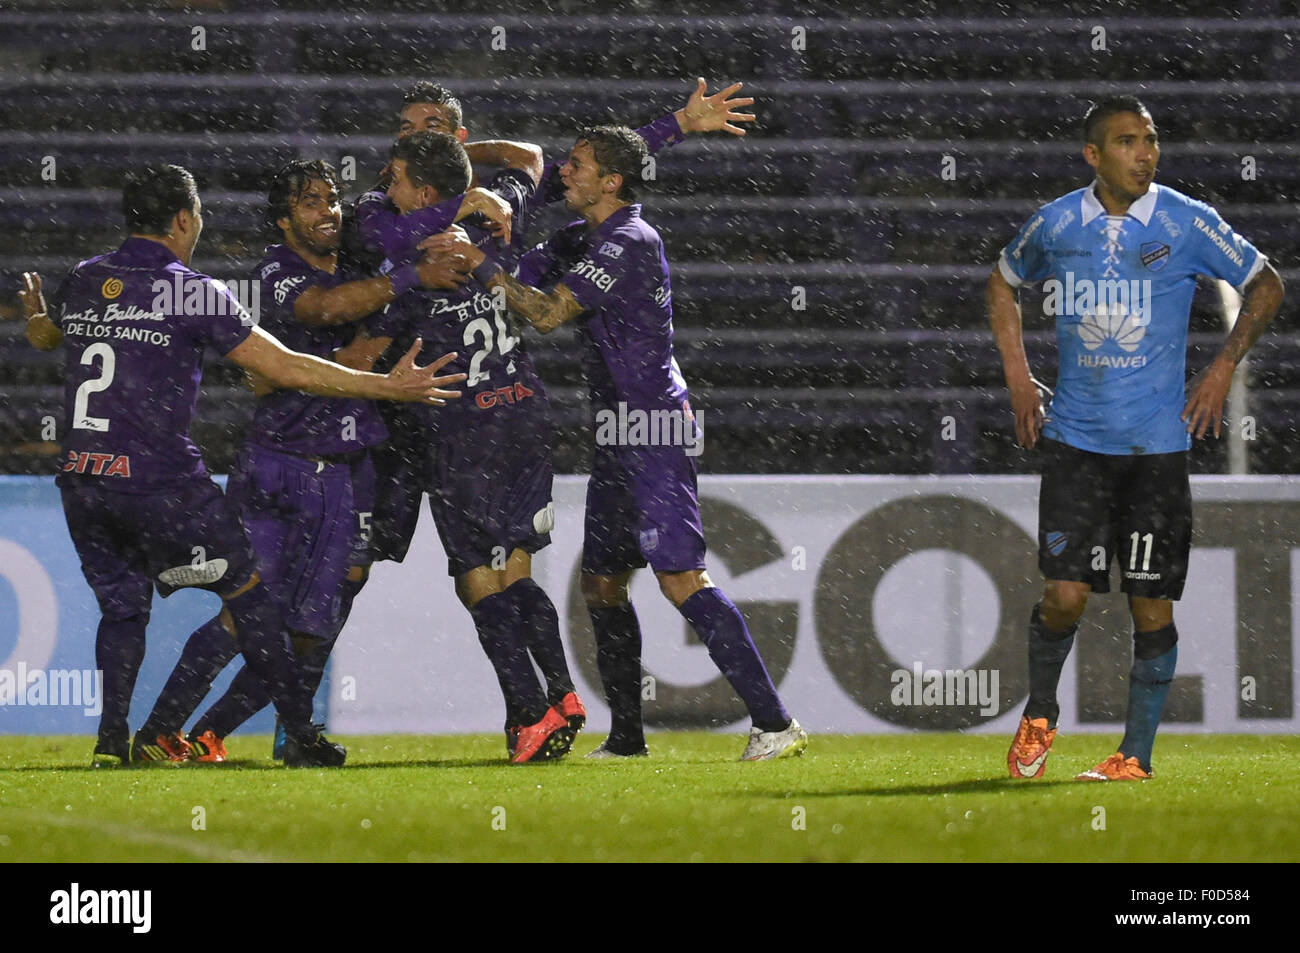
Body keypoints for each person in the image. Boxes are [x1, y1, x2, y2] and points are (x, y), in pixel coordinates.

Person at [18, 164, 463, 768]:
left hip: (84, 477)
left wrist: (36, 319)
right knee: (250, 599)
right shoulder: (192, 290)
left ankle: (110, 743)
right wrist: (389, 387)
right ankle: (299, 733)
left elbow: (51, 337)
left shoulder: (87, 277)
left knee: (123, 609)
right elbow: (283, 368)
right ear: (183, 219)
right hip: (160, 479)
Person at [425, 126, 808, 761]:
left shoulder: (630, 240)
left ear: (611, 182)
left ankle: (774, 724)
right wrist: (477, 224)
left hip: (653, 427)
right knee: (603, 584)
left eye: (576, 167)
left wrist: (481, 262)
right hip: (617, 431)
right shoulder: (582, 237)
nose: (564, 175)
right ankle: (628, 739)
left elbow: (544, 312)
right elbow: (518, 276)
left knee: (681, 577)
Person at [989, 96, 1284, 781]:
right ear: (1094, 155)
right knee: (1065, 596)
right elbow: (1002, 284)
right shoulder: (1058, 222)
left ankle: (1134, 756)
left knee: (1150, 602)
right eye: (1128, 142)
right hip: (1075, 443)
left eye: (1151, 140)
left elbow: (1265, 284)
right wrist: (1019, 379)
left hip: (1155, 450)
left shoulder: (1185, 220)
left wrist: (1221, 368)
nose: (1146, 153)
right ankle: (1040, 711)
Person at [340, 132, 587, 763]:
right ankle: (561, 694)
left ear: (424, 191)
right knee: (519, 565)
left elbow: (360, 355)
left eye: (395, 178)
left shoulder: (420, 268)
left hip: (462, 431)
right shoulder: (500, 219)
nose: (385, 190)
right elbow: (532, 160)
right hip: (525, 413)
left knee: (477, 578)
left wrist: (309, 365)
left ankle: (530, 713)